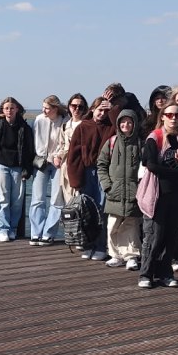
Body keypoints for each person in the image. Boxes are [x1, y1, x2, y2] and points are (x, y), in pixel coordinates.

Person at [138, 102, 178, 288]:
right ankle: (146, 274)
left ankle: (165, 272)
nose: (173, 118)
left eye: (177, 115)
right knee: (154, 235)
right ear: (162, 117)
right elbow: (150, 164)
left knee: (172, 236)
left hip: (177, 194)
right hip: (157, 194)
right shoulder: (155, 138)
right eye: (169, 115)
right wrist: (176, 170)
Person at [67, 97, 117, 260]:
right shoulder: (83, 127)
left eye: (105, 111)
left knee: (101, 209)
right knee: (86, 210)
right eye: (100, 110)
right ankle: (87, 245)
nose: (102, 113)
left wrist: (113, 110)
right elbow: (73, 155)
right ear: (93, 109)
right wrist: (75, 180)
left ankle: (101, 246)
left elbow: (120, 126)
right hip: (87, 172)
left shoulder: (111, 127)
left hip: (104, 172)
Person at [96, 108, 143, 269]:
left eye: (129, 122)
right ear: (118, 123)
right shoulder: (111, 142)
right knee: (112, 226)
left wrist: (140, 189)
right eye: (123, 122)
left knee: (131, 226)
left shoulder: (140, 143)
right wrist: (107, 186)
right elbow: (101, 165)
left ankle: (131, 256)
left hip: (133, 193)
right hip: (114, 192)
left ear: (134, 124)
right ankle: (115, 255)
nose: (126, 125)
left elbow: (146, 167)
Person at [0, 96, 35, 242]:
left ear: (17, 109)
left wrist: (27, 169)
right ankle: (3, 228)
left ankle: (13, 228)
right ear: (3, 110)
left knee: (17, 200)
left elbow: (29, 150)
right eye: (6, 108)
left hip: (18, 166)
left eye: (12, 108)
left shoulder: (24, 128)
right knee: (2, 198)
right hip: (1, 165)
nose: (9, 111)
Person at [29, 95, 68, 245]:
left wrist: (57, 156)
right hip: (41, 162)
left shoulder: (64, 121)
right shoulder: (39, 120)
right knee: (37, 198)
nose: (43, 110)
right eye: (43, 107)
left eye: (47, 108)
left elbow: (65, 143)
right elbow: (34, 141)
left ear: (55, 108)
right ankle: (35, 232)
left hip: (58, 162)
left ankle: (48, 233)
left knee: (57, 199)